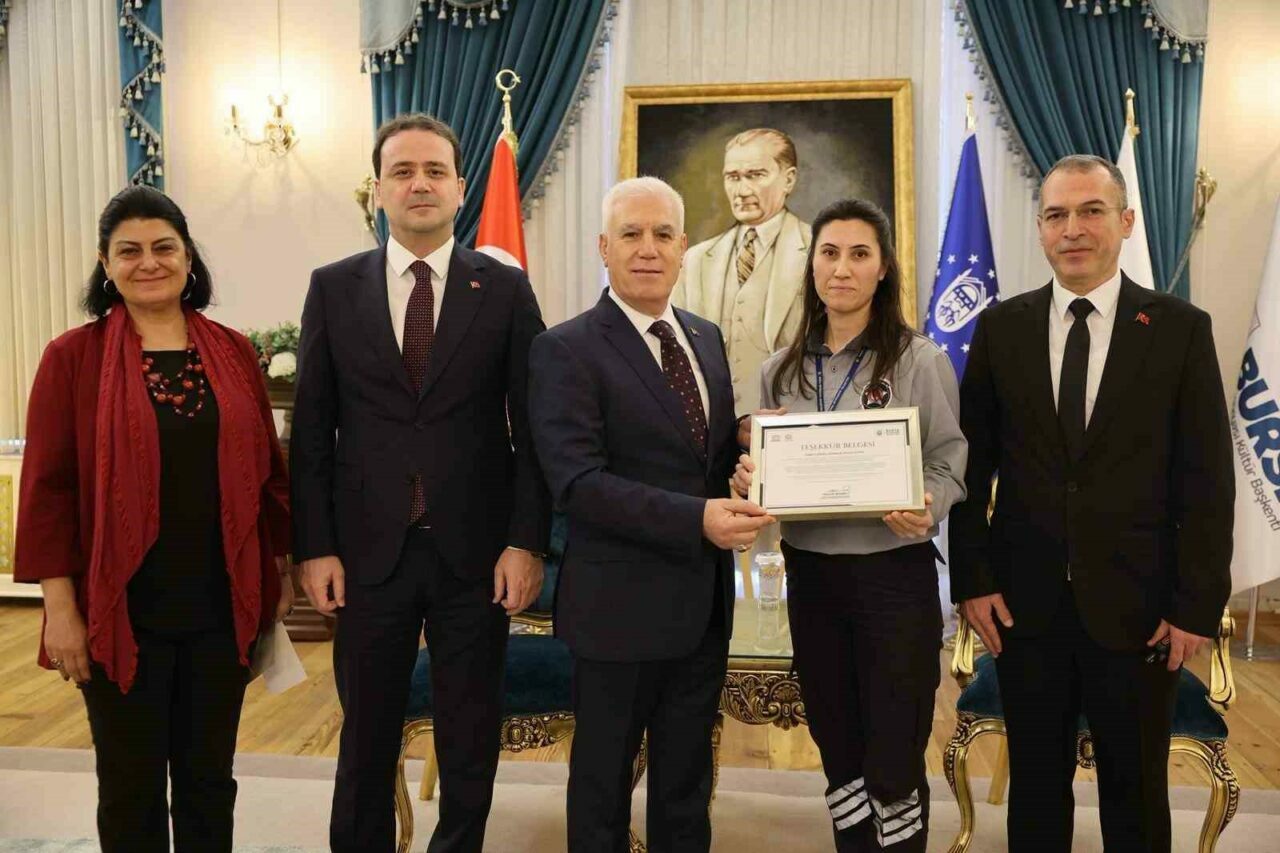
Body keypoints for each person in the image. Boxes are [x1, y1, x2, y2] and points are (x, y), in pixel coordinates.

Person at [949, 154, 1235, 852]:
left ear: (1125, 221)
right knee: (1035, 795)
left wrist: (1195, 605)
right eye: (1056, 215)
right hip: (1024, 608)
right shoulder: (1001, 328)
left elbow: (1206, 480)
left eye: (1090, 211)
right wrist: (972, 580)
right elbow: (968, 468)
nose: (1072, 229)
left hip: (1142, 612)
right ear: (1041, 229)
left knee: (1136, 799)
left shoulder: (1180, 329)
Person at [290, 113, 551, 853]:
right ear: (378, 190)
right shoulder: (333, 288)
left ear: (462, 189)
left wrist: (526, 541)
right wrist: (315, 547)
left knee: (470, 735)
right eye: (402, 171)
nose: (419, 184)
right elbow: (311, 431)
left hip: (477, 555)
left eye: (435, 170)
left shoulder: (503, 289)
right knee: (366, 736)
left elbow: (534, 429)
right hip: (366, 554)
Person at [13, 185, 293, 852]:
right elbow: (48, 492)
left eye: (164, 247)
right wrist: (60, 611)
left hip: (221, 606)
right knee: (129, 786)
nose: (148, 262)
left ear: (188, 257)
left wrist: (278, 577)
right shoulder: (71, 359)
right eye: (129, 250)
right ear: (105, 264)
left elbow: (269, 478)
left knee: (208, 781)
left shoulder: (234, 351)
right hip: (118, 610)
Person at [528, 176, 774, 851]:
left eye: (663, 234)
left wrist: (749, 449)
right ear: (603, 248)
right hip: (616, 610)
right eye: (631, 234)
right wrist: (698, 518)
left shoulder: (704, 337)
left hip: (701, 607)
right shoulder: (566, 348)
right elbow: (577, 483)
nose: (648, 248)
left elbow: (702, 455)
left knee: (686, 786)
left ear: (683, 246)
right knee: (602, 790)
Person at [731, 198, 967, 852]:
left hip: (894, 577)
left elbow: (950, 460)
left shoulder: (919, 361)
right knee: (838, 746)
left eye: (859, 254)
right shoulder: (778, 370)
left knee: (894, 749)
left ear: (883, 268)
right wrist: (751, 479)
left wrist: (928, 501)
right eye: (829, 253)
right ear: (811, 267)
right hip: (812, 580)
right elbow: (763, 471)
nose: (842, 268)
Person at [672, 128, 812, 414]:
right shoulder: (695, 260)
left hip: (792, 425)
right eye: (733, 177)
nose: (742, 191)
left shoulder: (817, 251)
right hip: (714, 430)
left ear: (788, 179)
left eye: (755, 175)